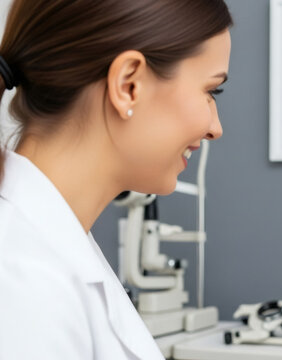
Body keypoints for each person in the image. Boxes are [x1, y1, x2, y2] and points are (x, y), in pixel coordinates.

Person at [0, 0, 232, 358]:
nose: (215, 128)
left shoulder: (53, 248)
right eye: (210, 91)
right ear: (128, 85)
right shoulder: (23, 279)